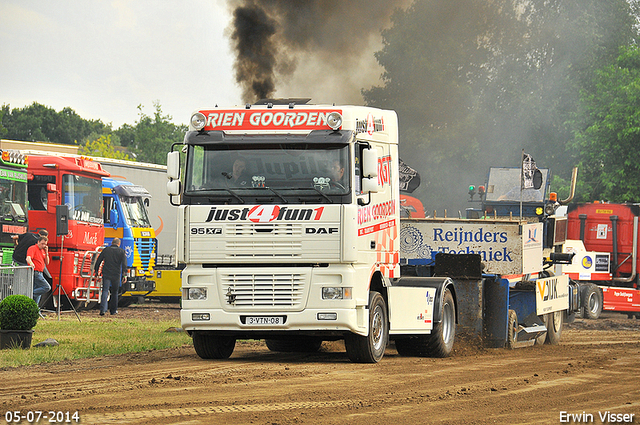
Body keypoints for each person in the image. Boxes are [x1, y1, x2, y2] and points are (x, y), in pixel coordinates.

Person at [94, 238, 127, 316]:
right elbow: (124, 264)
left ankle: (103, 309)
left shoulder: (106, 250)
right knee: (115, 292)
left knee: (105, 290)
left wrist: (96, 271)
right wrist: (124, 275)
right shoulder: (121, 252)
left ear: (112, 243)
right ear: (119, 244)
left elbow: (99, 260)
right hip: (116, 274)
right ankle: (113, 310)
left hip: (106, 273)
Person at [25, 235, 51, 309]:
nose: (43, 245)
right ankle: (31, 294)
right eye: (42, 243)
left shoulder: (43, 251)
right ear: (38, 242)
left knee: (39, 292)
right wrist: (31, 263)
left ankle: (35, 308)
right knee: (46, 287)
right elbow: (28, 258)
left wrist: (46, 252)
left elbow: (47, 262)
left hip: (40, 272)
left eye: (45, 244)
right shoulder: (33, 248)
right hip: (36, 272)